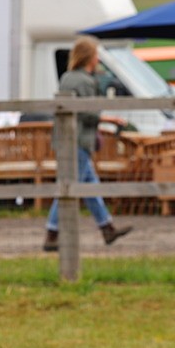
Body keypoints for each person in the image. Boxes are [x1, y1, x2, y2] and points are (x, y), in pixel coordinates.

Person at [43, 36, 133, 251]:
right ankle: (52, 233)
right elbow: (90, 112)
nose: (97, 59)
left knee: (90, 186)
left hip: (66, 139)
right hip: (80, 141)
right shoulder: (86, 81)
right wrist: (108, 117)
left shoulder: (66, 78)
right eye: (95, 55)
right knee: (68, 187)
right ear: (89, 57)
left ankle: (107, 227)